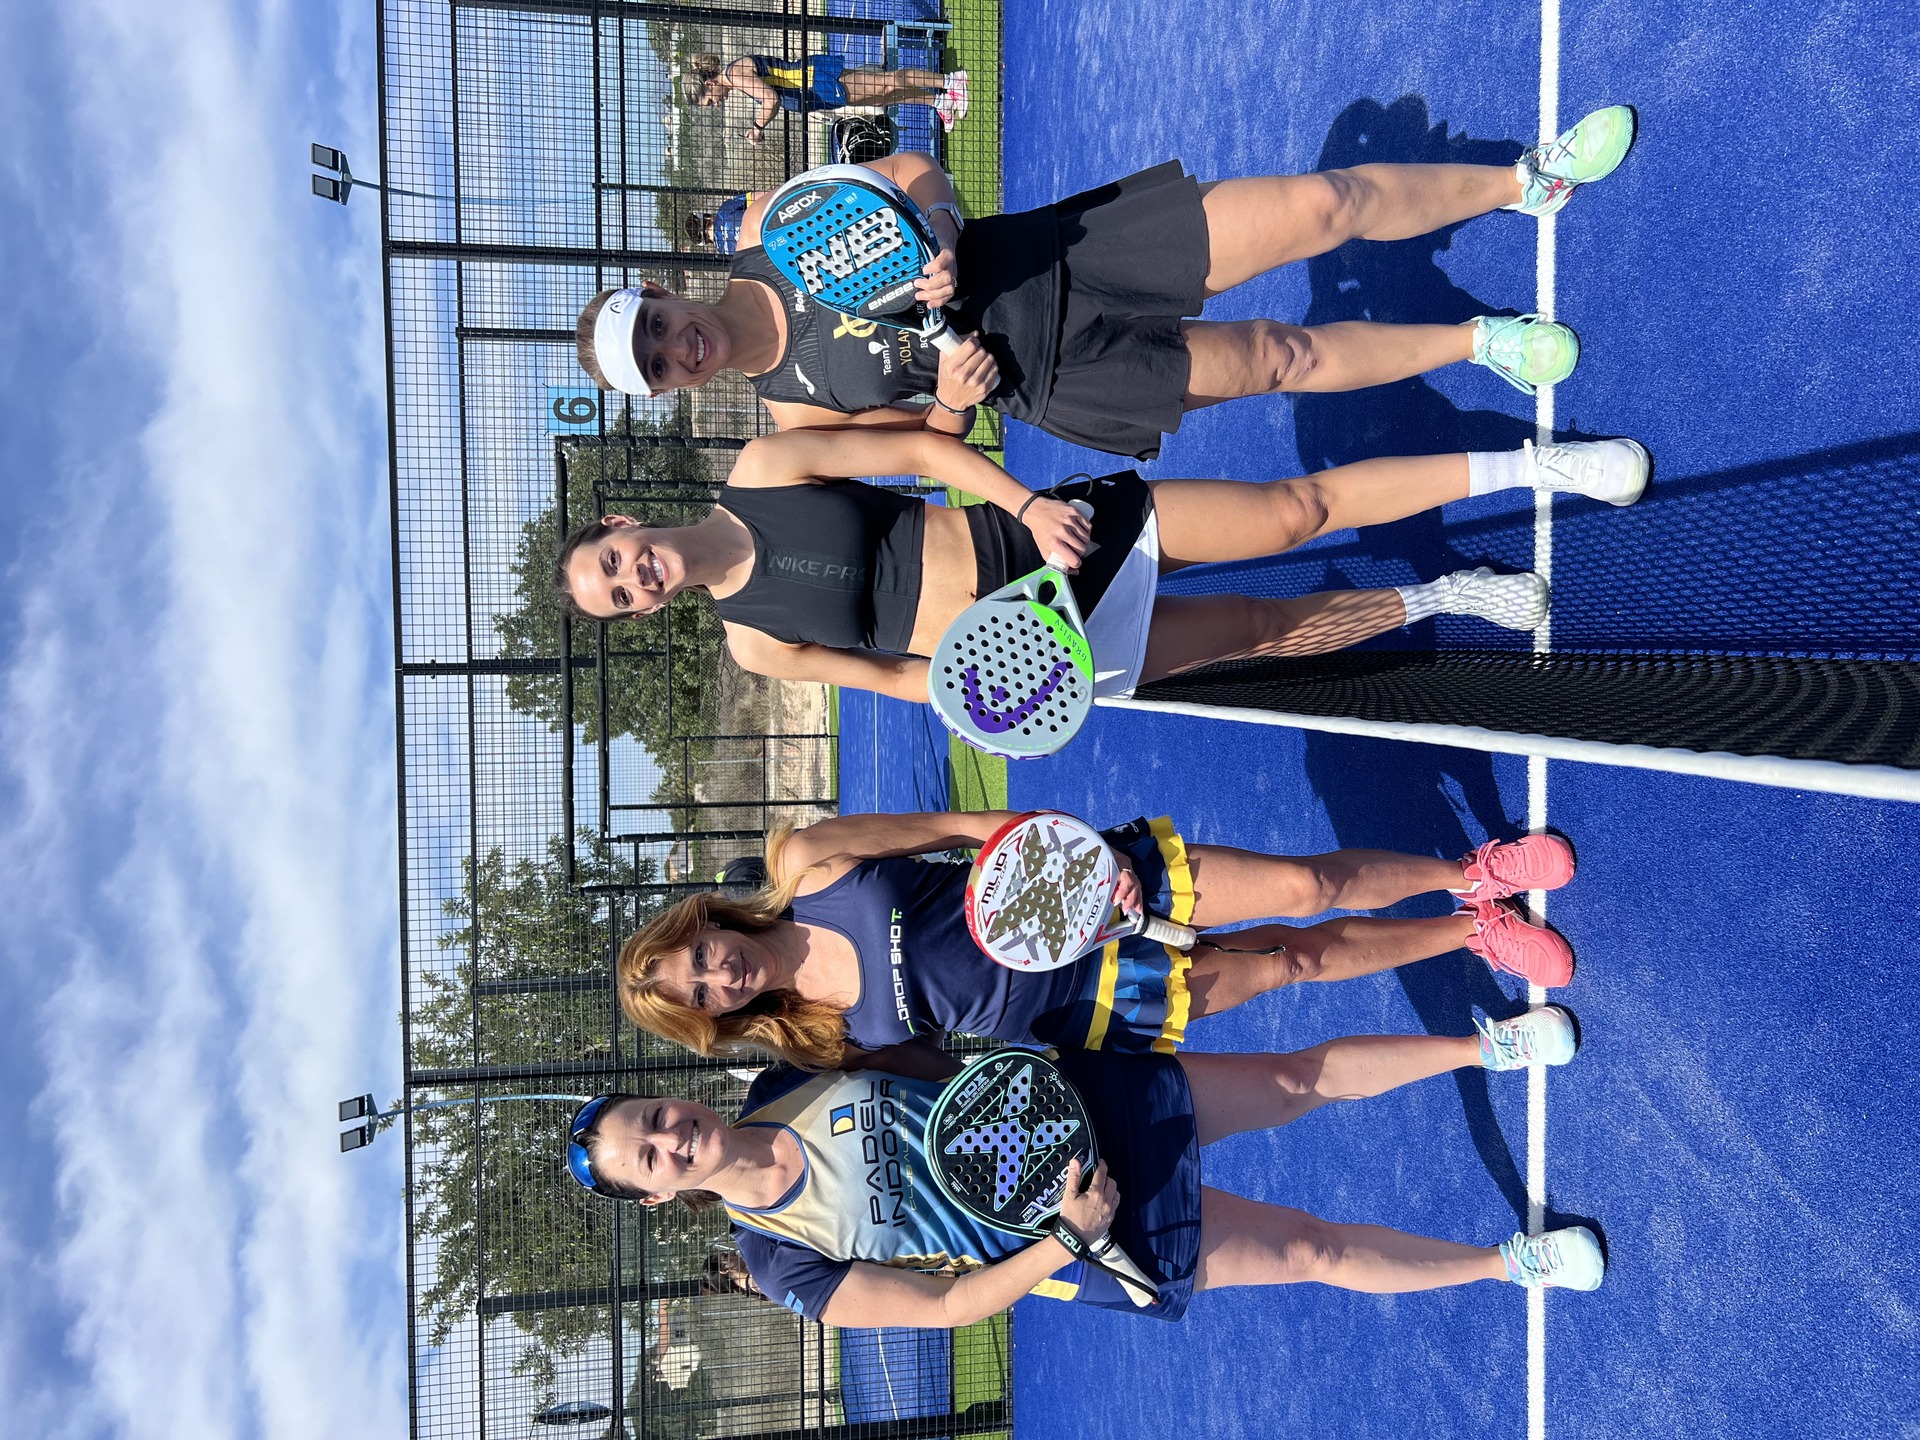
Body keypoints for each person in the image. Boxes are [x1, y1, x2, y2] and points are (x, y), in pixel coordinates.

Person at [573, 107, 1636, 457]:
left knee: (1320, 205)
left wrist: (939, 228)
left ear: (663, 293)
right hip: (1055, 379)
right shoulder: (789, 418)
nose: (675, 348)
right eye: (657, 367)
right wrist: (954, 405)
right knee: (1278, 357)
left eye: (655, 326)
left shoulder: (769, 229)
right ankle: (1483, 342)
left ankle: (1524, 180)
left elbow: (911, 172)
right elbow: (921, 452)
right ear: (670, 392)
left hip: (1062, 254)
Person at [562, 1018, 1605, 1329]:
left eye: (652, 1118)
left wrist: (1021, 1063)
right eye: (649, 1157)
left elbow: (931, 1058)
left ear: (667, 1098)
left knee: (1293, 1078)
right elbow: (950, 1305)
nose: (670, 1137)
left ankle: (1491, 1047)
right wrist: (1069, 1236)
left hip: (1079, 1109)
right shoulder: (779, 1261)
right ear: (658, 1194)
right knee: (1308, 1249)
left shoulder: (786, 1075)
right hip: (1080, 1227)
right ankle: (1511, 1263)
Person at [551, 423, 1650, 709]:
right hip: (1035, 650)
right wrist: (992, 699)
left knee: (1292, 512)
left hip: (1040, 537)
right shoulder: (754, 645)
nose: (635, 577)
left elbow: (919, 452)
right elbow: (892, 676)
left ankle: (1532, 466)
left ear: (620, 522)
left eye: (614, 559)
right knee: (1259, 633)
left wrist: (1028, 503)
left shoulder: (763, 465)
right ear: (637, 615)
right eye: (620, 596)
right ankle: (1447, 595)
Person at [612, 809, 1580, 1074]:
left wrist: (1077, 853)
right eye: (699, 999)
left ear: (703, 924)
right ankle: (1474, 931)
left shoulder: (807, 861)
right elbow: (959, 1072)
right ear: (716, 1021)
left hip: (1095, 889)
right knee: (1292, 961)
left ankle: (1471, 870)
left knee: (1304, 885)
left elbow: (958, 827)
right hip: (1091, 1001)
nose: (716, 978)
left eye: (694, 959)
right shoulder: (821, 1040)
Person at [682, 54, 969, 139]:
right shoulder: (736, 79)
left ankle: (950, 81)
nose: (715, 104)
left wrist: (757, 128)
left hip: (818, 79)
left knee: (887, 82)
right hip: (818, 93)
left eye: (710, 100)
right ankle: (939, 101)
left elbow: (771, 100)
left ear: (709, 83)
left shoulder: (736, 75)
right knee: (884, 98)